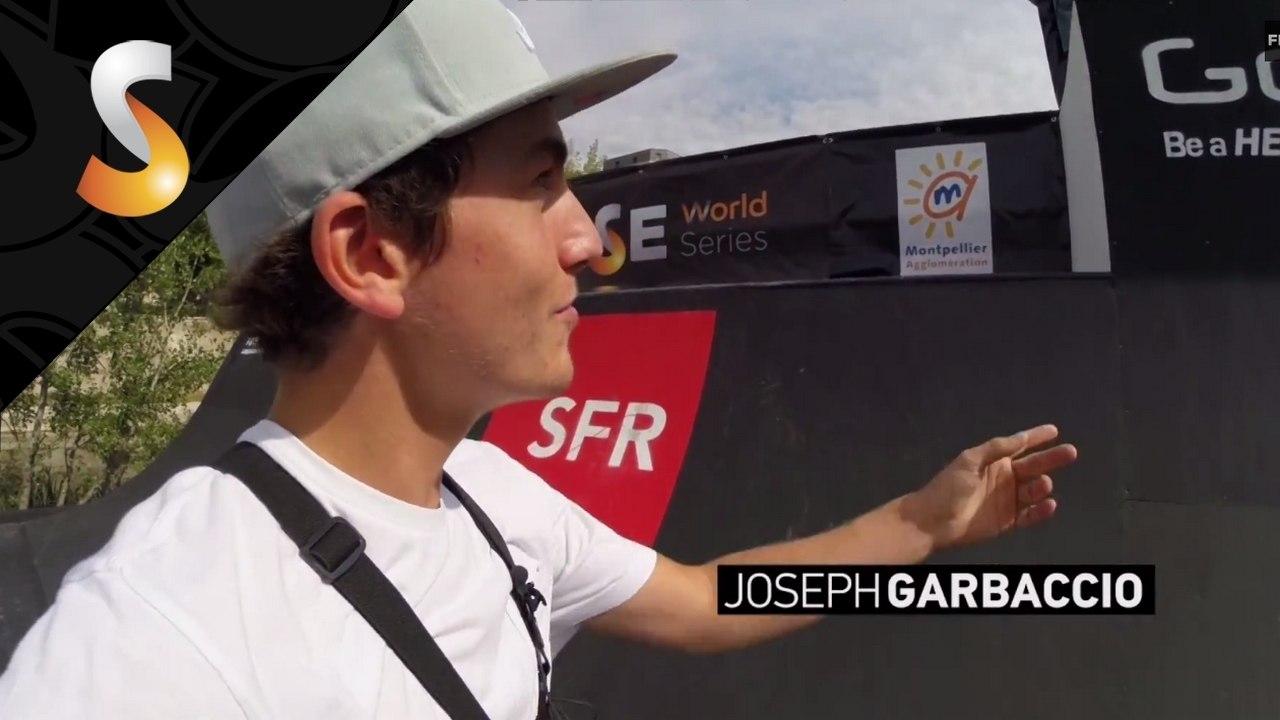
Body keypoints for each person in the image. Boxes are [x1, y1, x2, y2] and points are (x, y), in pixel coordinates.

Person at [0, 0, 1078, 717]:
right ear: (369, 253)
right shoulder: (159, 635)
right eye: (538, 184)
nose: (587, 239)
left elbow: (704, 602)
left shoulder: (489, 493)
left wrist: (920, 524)